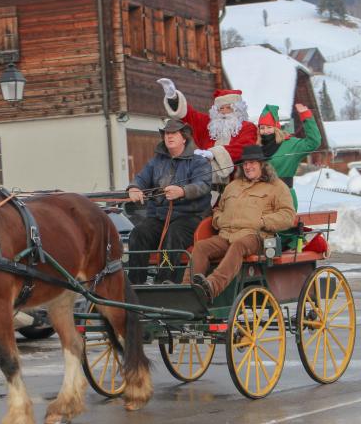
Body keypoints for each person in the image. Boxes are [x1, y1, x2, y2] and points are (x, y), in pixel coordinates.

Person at [184, 145, 295, 302]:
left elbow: (288, 215)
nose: (248, 167)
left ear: (262, 164)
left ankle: (211, 287)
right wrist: (219, 220)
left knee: (239, 246)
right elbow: (218, 209)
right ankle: (187, 290)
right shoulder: (233, 186)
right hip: (226, 236)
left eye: (252, 163)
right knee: (201, 247)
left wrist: (262, 221)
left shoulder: (277, 187)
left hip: (256, 237)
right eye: (245, 163)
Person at [126, 119, 212, 284]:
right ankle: (135, 285)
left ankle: (164, 282)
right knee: (138, 234)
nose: (169, 136)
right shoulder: (156, 162)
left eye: (174, 133)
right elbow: (141, 178)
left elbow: (204, 185)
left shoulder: (199, 162)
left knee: (173, 234)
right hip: (160, 217)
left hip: (191, 217)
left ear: (184, 138)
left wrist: (182, 191)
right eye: (167, 133)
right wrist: (134, 188)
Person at [157, 78, 258, 188]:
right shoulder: (210, 125)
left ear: (238, 109)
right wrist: (173, 98)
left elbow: (243, 149)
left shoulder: (248, 127)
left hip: (236, 186)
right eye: (220, 108)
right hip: (207, 188)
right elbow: (190, 116)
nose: (224, 111)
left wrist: (213, 153)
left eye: (228, 108)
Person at [258, 103, 322, 211]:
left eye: (269, 127)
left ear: (276, 127)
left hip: (284, 198)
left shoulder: (290, 144)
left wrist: (306, 116)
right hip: (260, 199)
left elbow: (314, 142)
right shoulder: (256, 147)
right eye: (262, 128)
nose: (265, 131)